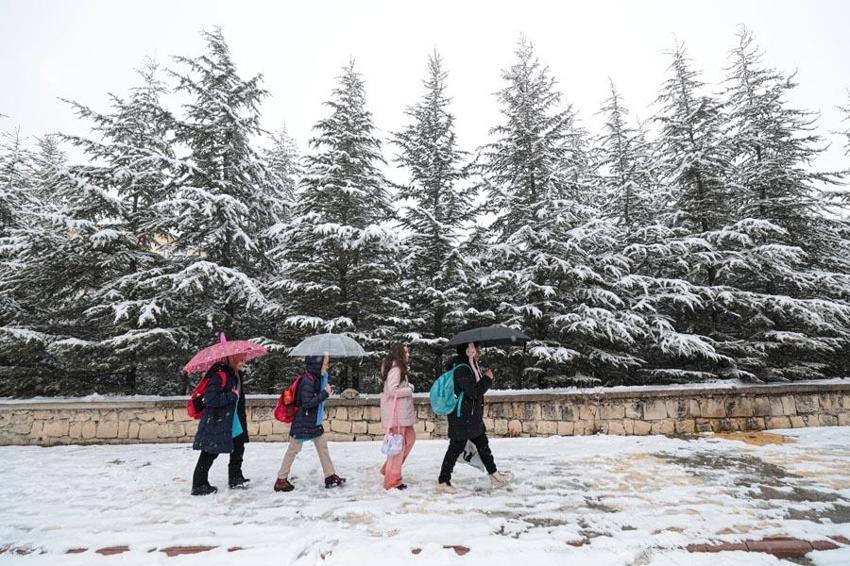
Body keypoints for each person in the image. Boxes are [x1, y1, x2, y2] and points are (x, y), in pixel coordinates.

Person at [437, 342, 510, 492]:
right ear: (468, 351)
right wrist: (487, 379)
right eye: (477, 350)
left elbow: (474, 390)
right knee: (455, 448)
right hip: (462, 417)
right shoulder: (462, 368)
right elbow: (474, 392)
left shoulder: (470, 366)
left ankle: (494, 475)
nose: (479, 353)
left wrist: (483, 378)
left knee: (483, 446)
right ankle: (443, 481)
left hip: (470, 417)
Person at [274, 353, 346, 491]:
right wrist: (324, 394)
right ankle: (281, 480)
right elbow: (307, 403)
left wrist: (324, 388)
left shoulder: (316, 378)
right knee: (293, 449)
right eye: (325, 363)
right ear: (317, 365)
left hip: (312, 421)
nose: (327, 366)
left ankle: (330, 476)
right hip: (304, 421)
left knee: (322, 447)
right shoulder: (308, 380)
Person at [191, 353, 250, 496]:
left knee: (238, 447)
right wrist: (231, 396)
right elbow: (209, 399)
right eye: (240, 360)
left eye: (244, 360)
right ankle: (199, 485)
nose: (243, 363)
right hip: (218, 420)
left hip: (234, 419)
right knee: (210, 452)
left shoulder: (236, 375)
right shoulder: (219, 375)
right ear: (232, 359)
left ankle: (235, 477)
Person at [379, 343, 417, 490]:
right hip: (397, 415)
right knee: (398, 447)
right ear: (400, 354)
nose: (408, 355)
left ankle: (389, 469)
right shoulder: (395, 369)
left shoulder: (398, 368)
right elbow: (392, 391)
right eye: (406, 352)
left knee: (410, 438)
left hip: (401, 414)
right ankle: (392, 481)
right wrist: (409, 389)